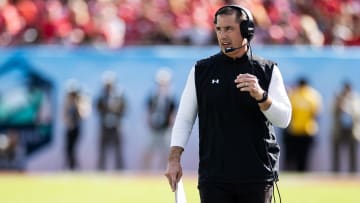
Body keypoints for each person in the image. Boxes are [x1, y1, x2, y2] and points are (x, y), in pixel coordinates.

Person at [165, 5, 292, 203]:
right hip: (214, 177)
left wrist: (261, 96)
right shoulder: (201, 70)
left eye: (229, 29)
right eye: (219, 29)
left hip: (256, 176)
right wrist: (174, 159)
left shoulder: (267, 70)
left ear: (247, 30)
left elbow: (284, 119)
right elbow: (184, 118)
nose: (222, 35)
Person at [141, 68, 177, 171]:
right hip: (154, 129)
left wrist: (171, 127)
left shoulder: (170, 98)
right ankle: (145, 172)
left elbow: (172, 115)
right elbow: (148, 112)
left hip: (165, 129)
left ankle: (165, 171)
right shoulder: (153, 97)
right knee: (148, 151)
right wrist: (149, 124)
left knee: (166, 153)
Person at [284, 77, 322, 172]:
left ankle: (294, 173)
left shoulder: (294, 94)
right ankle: (302, 173)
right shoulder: (313, 95)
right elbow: (316, 113)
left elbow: (289, 113)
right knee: (304, 156)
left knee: (294, 156)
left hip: (295, 130)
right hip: (307, 130)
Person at [96, 71, 126, 170]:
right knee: (102, 150)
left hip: (116, 126)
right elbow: (97, 107)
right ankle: (101, 171)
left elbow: (124, 108)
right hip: (104, 126)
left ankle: (119, 171)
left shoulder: (119, 96)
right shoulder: (101, 96)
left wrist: (116, 112)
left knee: (118, 151)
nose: (108, 87)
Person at [331, 81, 360, 173]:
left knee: (352, 153)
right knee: (336, 153)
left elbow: (357, 113)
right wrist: (339, 103)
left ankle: (353, 172)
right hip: (339, 129)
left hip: (352, 130)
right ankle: (336, 172)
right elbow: (332, 112)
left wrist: (348, 109)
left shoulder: (355, 98)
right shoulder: (338, 98)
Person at [63, 79, 86, 170]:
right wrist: (69, 123)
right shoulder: (67, 101)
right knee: (67, 148)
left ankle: (74, 167)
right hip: (69, 128)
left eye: (73, 93)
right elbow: (64, 115)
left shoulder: (80, 101)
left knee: (73, 148)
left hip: (77, 128)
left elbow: (83, 114)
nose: (72, 95)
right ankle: (69, 166)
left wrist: (78, 103)